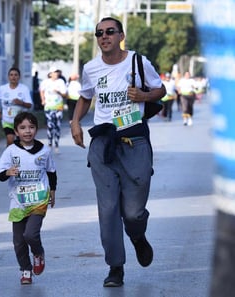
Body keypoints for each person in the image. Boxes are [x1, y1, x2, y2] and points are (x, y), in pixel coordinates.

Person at [70, 17, 166, 287]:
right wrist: (75, 121)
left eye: (110, 31)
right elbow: (86, 95)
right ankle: (115, 267)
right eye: (99, 33)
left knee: (133, 212)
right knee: (108, 208)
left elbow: (162, 89)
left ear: (121, 35)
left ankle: (137, 236)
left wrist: (144, 97)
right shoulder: (90, 67)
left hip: (134, 140)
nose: (104, 36)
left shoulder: (137, 61)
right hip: (103, 143)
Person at [0, 111, 57, 285]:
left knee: (31, 234)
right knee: (18, 241)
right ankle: (25, 269)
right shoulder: (11, 151)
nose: (27, 131)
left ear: (37, 129)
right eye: (22, 128)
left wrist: (52, 191)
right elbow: (0, 174)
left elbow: (51, 172)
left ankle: (38, 253)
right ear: (16, 131)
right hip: (18, 202)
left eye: (31, 127)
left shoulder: (44, 151)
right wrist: (8, 172)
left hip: (39, 199)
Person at [0, 67, 33, 146]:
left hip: (20, 121)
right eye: (11, 75)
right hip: (7, 121)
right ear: (8, 77)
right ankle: (9, 156)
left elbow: (29, 105)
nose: (13, 77)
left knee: (20, 144)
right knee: (10, 140)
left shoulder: (24, 89)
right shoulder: (3, 88)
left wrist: (21, 103)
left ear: (19, 77)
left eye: (16, 75)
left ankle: (19, 157)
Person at [39, 66, 67, 153]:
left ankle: (57, 144)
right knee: (50, 125)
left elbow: (65, 95)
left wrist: (58, 92)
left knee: (58, 125)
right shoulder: (45, 82)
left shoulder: (61, 82)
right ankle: (50, 142)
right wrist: (43, 99)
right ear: (50, 74)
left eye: (57, 72)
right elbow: (41, 90)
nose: (56, 74)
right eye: (54, 72)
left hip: (58, 107)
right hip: (48, 107)